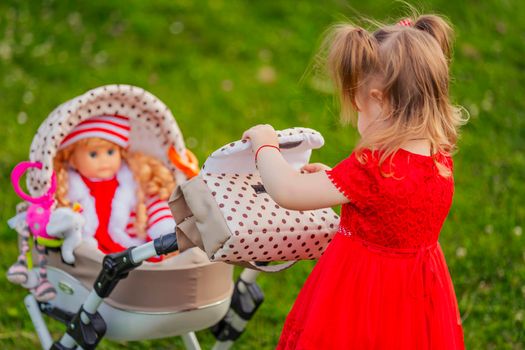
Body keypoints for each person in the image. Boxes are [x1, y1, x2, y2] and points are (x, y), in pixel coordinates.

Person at [242, 14, 466, 349]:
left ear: (379, 100)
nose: (358, 118)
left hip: (359, 298)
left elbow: (288, 191)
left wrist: (265, 145)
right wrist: (339, 182)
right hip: (417, 300)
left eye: (359, 109)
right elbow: (392, 202)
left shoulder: (373, 167)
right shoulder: (439, 157)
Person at [53, 115, 176, 257]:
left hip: (132, 248)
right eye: (93, 154)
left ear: (120, 152)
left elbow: (154, 202)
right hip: (90, 253)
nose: (104, 160)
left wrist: (163, 229)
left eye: (111, 152)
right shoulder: (70, 188)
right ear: (72, 159)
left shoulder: (133, 180)